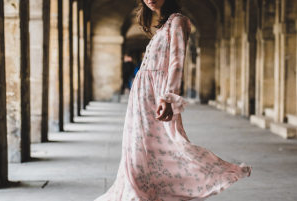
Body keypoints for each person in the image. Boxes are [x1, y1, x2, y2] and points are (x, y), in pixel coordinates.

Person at [94, 0, 252, 200]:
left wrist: (168, 97)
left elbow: (176, 62)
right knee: (137, 143)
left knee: (171, 141)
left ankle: (215, 174)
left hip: (156, 94)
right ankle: (138, 187)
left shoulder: (178, 21)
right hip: (142, 95)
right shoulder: (164, 25)